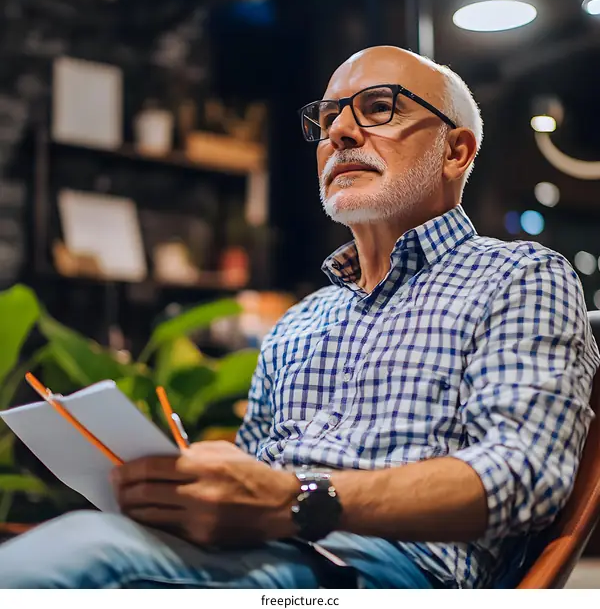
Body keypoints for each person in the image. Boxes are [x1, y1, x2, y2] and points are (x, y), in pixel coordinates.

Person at [0, 46, 598, 590]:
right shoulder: (298, 325)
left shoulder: (519, 277)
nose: (339, 131)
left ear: (456, 151)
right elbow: (253, 483)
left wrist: (299, 498)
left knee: (68, 563)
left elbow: (524, 474)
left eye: (378, 108)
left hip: (386, 574)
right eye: (328, 117)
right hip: (259, 559)